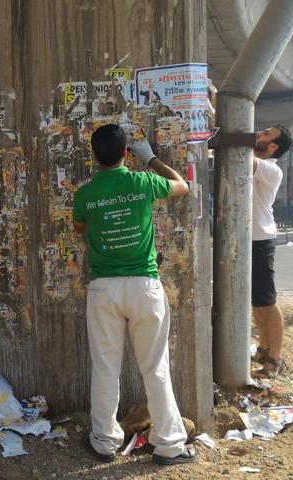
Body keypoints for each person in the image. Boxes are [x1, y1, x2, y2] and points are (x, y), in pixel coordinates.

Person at [73, 124, 194, 465]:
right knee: (155, 368)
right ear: (127, 153)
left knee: (105, 367)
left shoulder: (85, 194)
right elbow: (182, 186)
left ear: (94, 155)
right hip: (144, 286)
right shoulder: (142, 182)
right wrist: (151, 158)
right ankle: (170, 445)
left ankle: (104, 441)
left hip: (104, 289)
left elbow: (79, 226)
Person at [251, 125, 292, 378]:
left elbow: (241, 153)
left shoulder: (270, 169)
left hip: (260, 239)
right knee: (257, 301)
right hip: (249, 237)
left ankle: (275, 357)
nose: (258, 135)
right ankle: (264, 347)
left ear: (274, 146)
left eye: (265, 134)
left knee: (267, 300)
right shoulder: (257, 163)